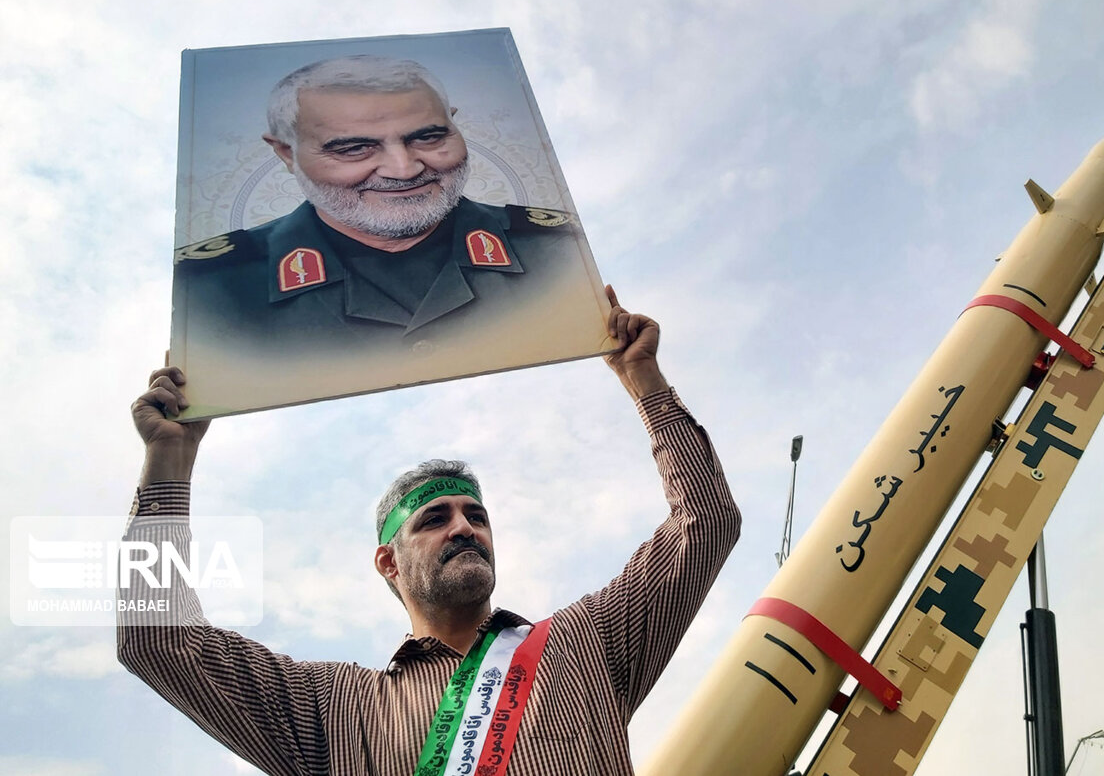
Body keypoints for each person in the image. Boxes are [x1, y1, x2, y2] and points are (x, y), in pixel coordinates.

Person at [120, 288, 741, 775]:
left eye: (477, 516)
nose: (464, 528)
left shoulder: (585, 645)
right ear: (388, 563)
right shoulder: (335, 711)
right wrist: (169, 462)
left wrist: (644, 380)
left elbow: (707, 523)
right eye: (435, 519)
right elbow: (157, 639)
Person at [174, 55, 609, 415]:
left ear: (454, 126)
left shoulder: (559, 251)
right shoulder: (211, 289)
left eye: (429, 137)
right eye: (354, 148)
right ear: (287, 153)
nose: (404, 169)